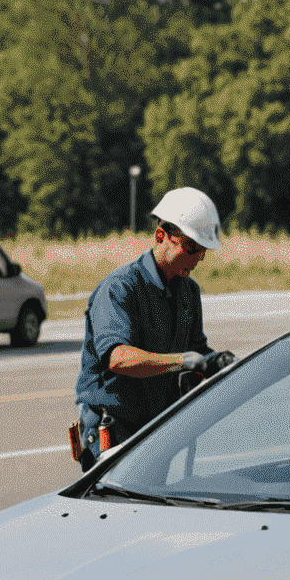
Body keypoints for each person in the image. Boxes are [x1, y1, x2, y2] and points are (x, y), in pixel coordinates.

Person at [73, 186, 234, 467]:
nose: (198, 258)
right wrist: (181, 361)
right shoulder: (119, 289)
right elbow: (118, 358)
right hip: (113, 434)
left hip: (158, 431)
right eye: (192, 247)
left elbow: (196, 350)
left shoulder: (188, 292)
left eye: (204, 251)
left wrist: (216, 362)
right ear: (161, 236)